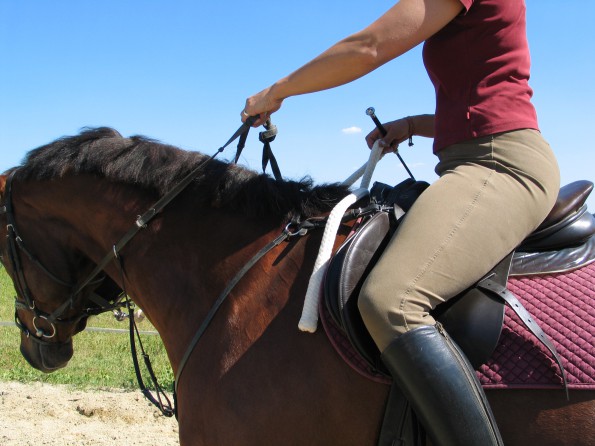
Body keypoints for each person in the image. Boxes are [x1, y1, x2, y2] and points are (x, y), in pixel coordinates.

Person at [242, 1, 560, 445]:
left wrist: (277, 91)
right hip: (473, 157)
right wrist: (411, 124)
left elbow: (369, 47)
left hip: (499, 164)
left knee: (392, 300)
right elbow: (481, 99)